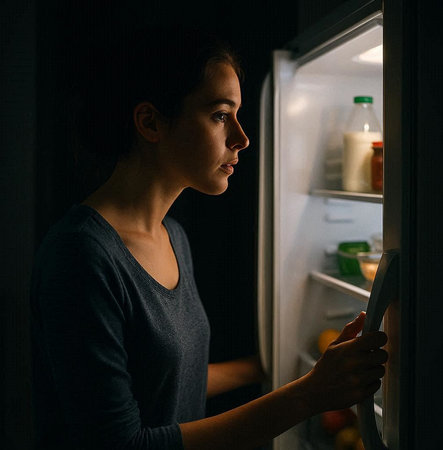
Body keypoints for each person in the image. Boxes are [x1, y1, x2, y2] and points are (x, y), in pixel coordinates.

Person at [30, 24, 388, 450]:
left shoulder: (172, 237)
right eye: (220, 115)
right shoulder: (81, 255)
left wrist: (277, 366)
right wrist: (309, 394)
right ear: (150, 122)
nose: (242, 137)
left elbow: (169, 381)